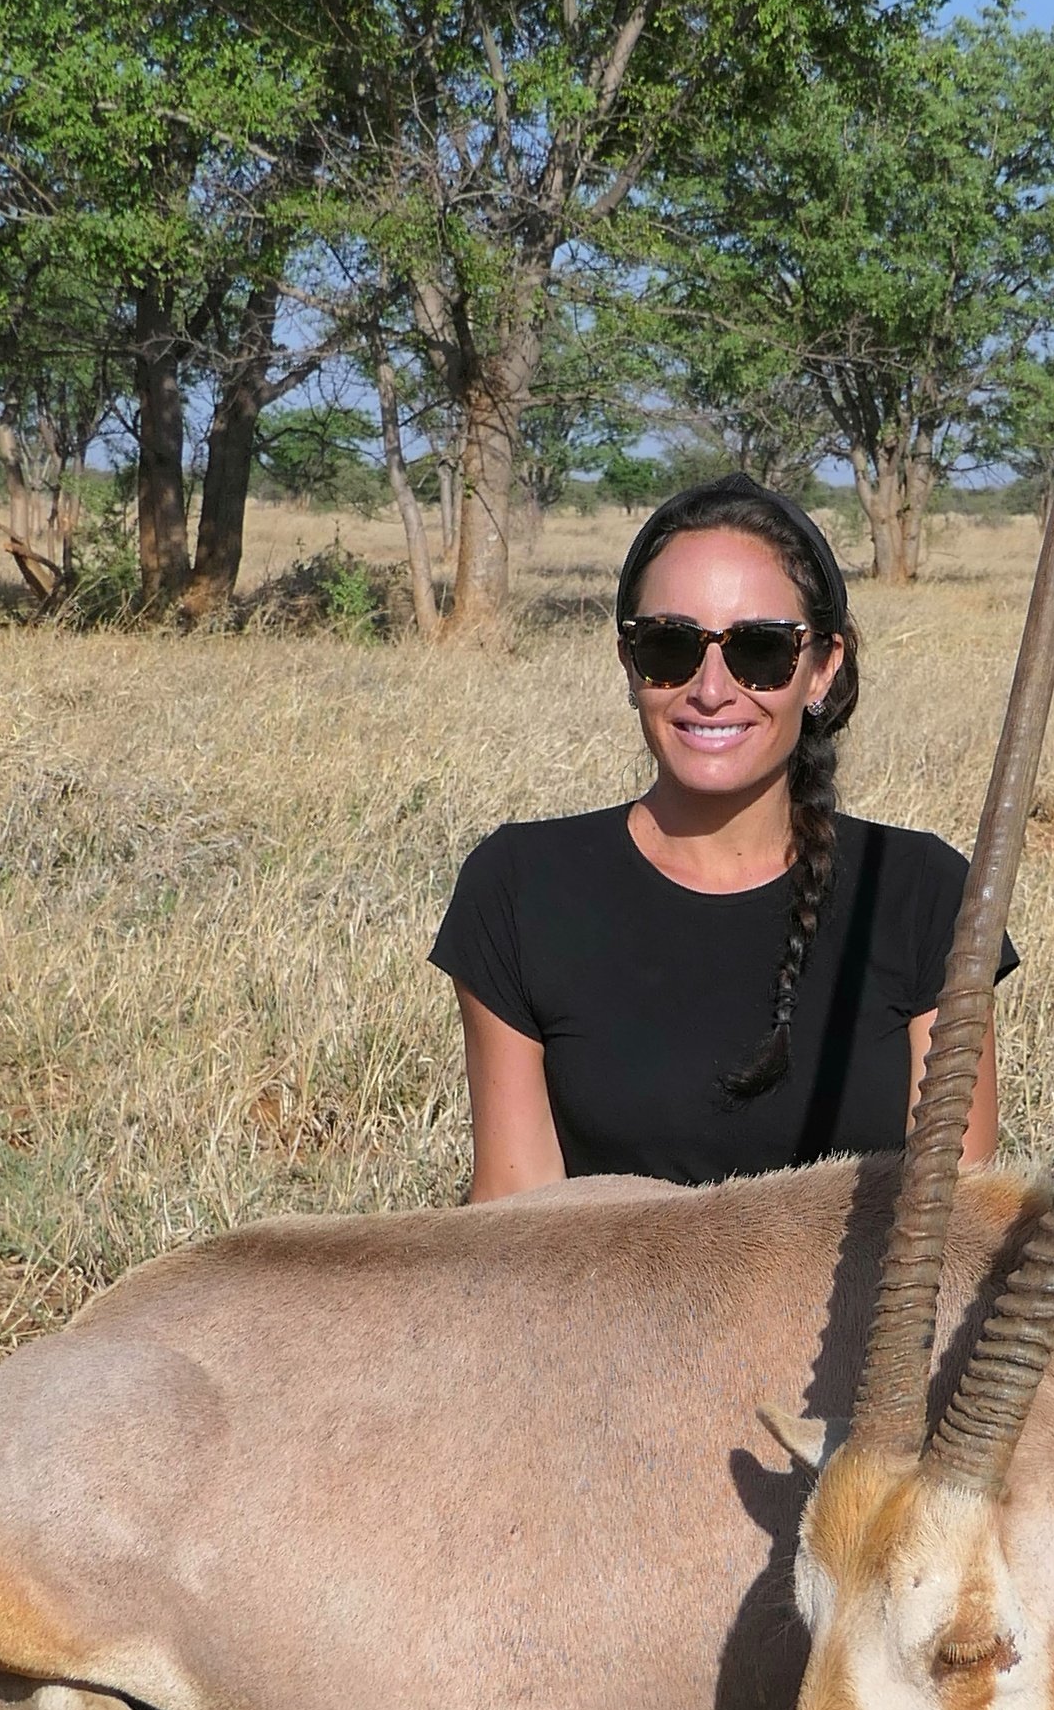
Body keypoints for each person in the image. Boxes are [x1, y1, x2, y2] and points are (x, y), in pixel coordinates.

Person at [430, 472, 1015, 1198]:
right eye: (670, 645)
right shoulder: (517, 886)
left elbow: (956, 1217)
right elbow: (515, 1219)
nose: (710, 689)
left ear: (821, 670)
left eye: (760, 650)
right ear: (628, 663)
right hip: (598, 1309)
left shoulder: (921, 892)